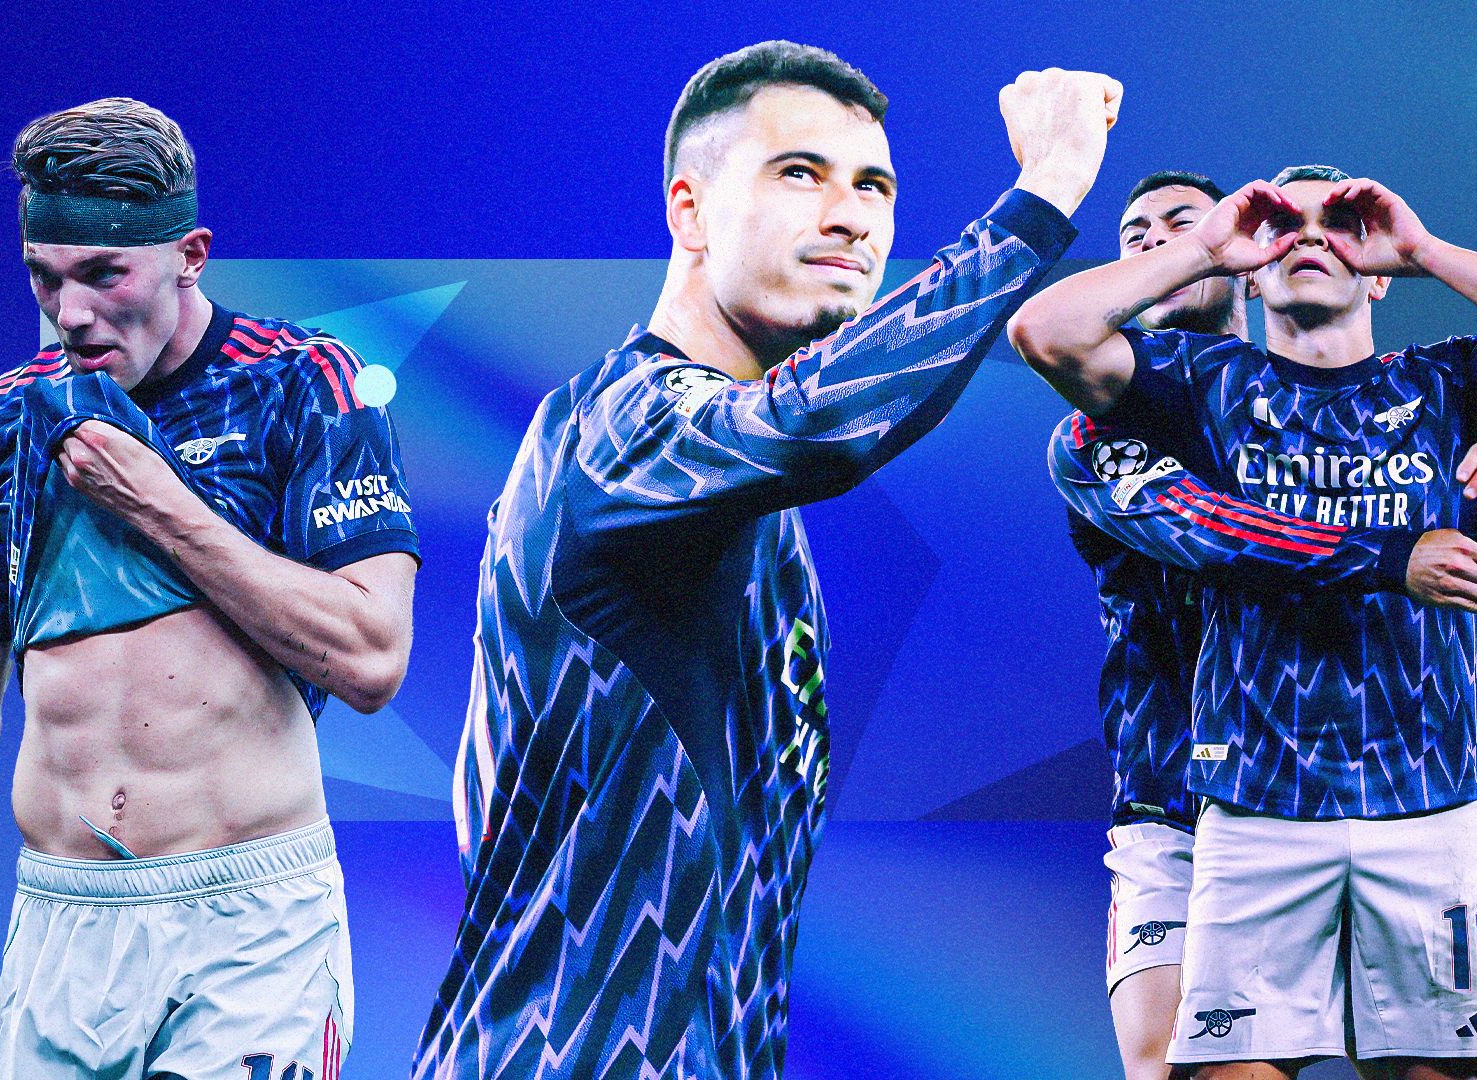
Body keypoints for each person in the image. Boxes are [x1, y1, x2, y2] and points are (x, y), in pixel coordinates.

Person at [414, 42, 1117, 1080]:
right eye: (800, 173)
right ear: (690, 211)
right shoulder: (619, 430)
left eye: (873, 186)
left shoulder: (738, 499)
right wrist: (1044, 192)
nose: (851, 216)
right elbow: (816, 424)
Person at [0, 97, 420, 1080]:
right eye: (46, 276)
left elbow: (374, 660)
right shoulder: (4, 424)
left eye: (104, 274)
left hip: (253, 929)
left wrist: (156, 503)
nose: (70, 314)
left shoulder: (302, 385)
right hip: (64, 931)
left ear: (190, 256)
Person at [1011, 164, 1477, 1078]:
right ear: (1247, 264)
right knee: (1166, 1066)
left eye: (1333, 223)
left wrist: (1421, 250)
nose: (1306, 236)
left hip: (1415, 794)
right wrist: (1202, 244)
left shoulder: (1434, 385)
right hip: (1216, 796)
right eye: (1138, 237)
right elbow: (1216, 530)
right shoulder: (1157, 404)